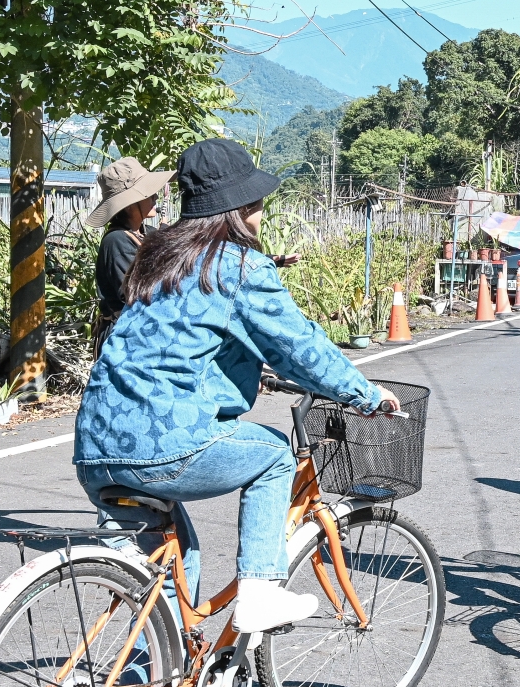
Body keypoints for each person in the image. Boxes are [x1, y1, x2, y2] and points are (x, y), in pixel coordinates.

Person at [74, 138, 398, 634]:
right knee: (273, 454)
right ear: (239, 211)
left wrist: (248, 365)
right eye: (258, 206)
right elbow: (300, 345)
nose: (262, 217)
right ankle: (261, 590)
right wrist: (365, 395)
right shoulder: (236, 265)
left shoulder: (159, 258)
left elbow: (180, 339)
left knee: (171, 572)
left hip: (95, 445)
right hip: (161, 444)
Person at [86, 156, 173, 356]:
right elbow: (136, 294)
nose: (155, 198)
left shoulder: (147, 233)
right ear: (129, 204)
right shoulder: (116, 241)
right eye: (148, 193)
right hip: (125, 338)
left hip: (143, 332)